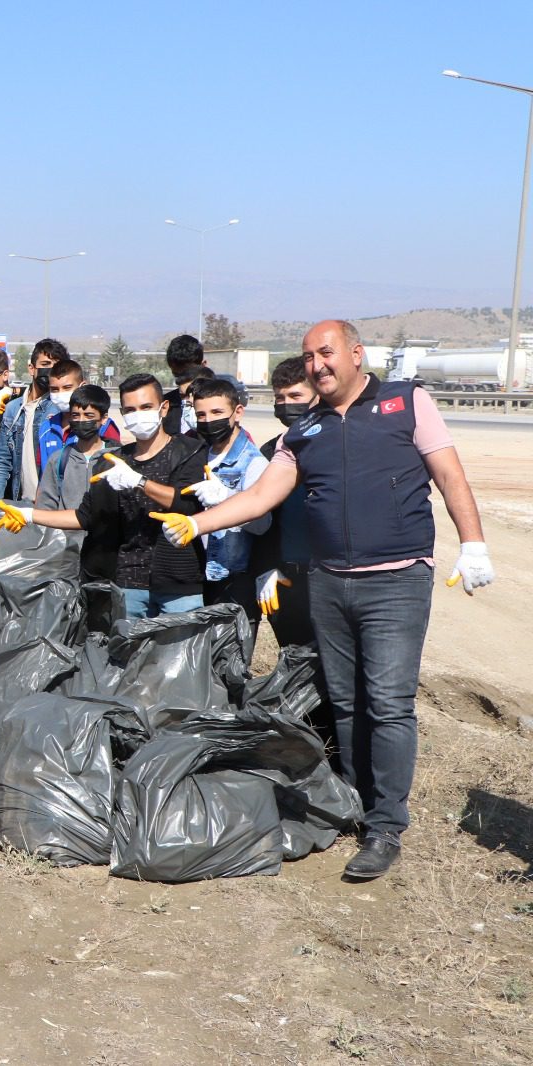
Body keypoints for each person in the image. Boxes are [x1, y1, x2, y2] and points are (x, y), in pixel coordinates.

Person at [152, 320, 495, 880]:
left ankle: (386, 827)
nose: (317, 364)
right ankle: (356, 802)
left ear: (357, 354)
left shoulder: (406, 403)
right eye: (309, 356)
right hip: (329, 581)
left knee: (386, 701)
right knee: (344, 700)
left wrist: (473, 543)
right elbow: (263, 495)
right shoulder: (303, 432)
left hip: (396, 579)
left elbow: (449, 474)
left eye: (326, 352)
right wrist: (198, 523)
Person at [0, 373, 208, 618]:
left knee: (177, 654)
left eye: (146, 407)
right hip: (128, 582)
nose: (138, 415)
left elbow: (187, 505)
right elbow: (85, 516)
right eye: (130, 409)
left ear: (164, 407)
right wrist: (29, 514)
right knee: (127, 653)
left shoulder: (189, 452)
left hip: (178, 583)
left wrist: (139, 481)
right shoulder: (112, 463)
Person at [184, 377, 270, 654]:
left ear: (237, 412)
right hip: (198, 575)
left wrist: (228, 500)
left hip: (233, 578)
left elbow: (262, 524)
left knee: (229, 663)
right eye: (201, 414)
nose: (209, 421)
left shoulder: (253, 463)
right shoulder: (196, 455)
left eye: (217, 413)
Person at [251, 357, 318, 652]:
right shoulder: (269, 452)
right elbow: (263, 516)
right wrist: (267, 567)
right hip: (286, 579)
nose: (286, 404)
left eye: (295, 396)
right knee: (293, 660)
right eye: (280, 398)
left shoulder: (337, 447)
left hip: (328, 578)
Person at [0, 338, 64, 502]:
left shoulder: (60, 408)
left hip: (52, 506)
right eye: (45, 364)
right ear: (31, 368)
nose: (50, 370)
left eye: (56, 366)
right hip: (21, 504)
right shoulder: (13, 409)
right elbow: (2, 461)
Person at [37, 383, 115, 511]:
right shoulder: (58, 460)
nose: (81, 420)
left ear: (104, 418)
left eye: (89, 416)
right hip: (64, 530)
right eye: (76, 415)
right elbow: (45, 506)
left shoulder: (116, 458)